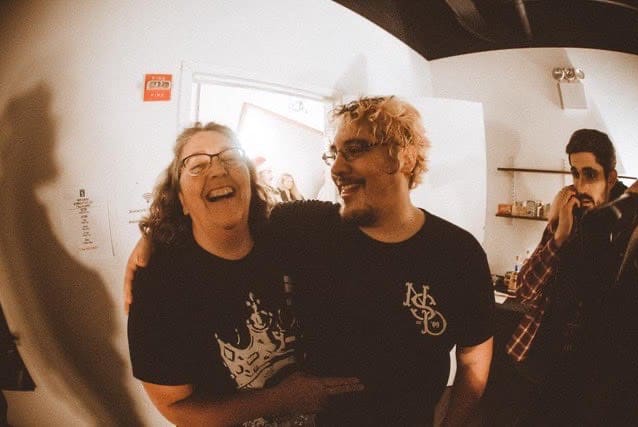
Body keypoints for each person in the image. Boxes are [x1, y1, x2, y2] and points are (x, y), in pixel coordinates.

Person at [125, 97, 495, 426]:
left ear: (404, 157)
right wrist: (153, 239)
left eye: (354, 150)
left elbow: (473, 355)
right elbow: (220, 221)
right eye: (333, 154)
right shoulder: (308, 226)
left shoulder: (458, 254)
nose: (336, 168)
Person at [126, 122, 362, 426]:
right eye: (196, 165)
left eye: (230, 157)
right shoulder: (160, 286)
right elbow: (175, 406)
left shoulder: (292, 230)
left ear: (250, 182)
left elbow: (376, 217)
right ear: (181, 200)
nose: (217, 169)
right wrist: (280, 399)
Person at [505, 129, 636, 423]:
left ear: (611, 177)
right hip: (546, 360)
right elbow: (524, 289)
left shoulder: (627, 224)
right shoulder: (569, 214)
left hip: (598, 373)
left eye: (590, 175)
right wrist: (560, 236)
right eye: (575, 174)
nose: (580, 185)